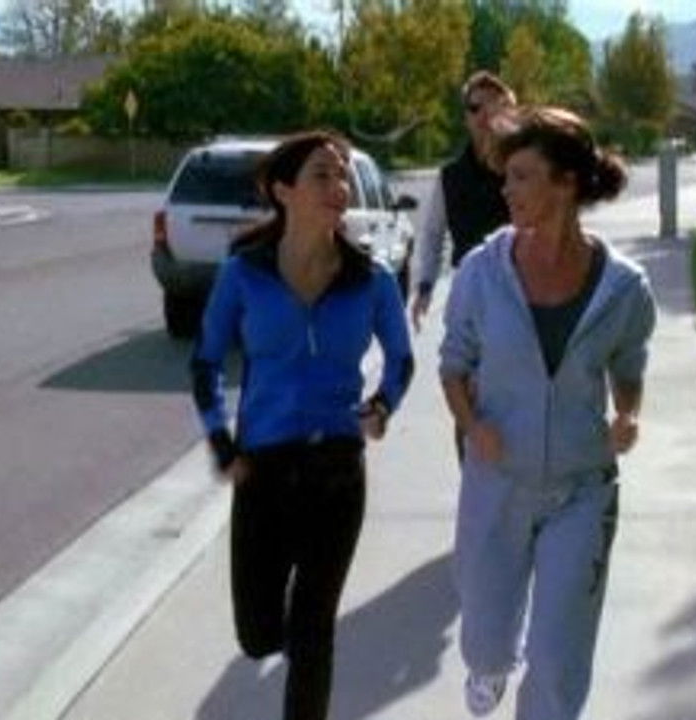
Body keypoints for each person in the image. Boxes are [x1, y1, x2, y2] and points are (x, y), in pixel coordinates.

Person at [438, 106, 656, 720]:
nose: (506, 190)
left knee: (559, 658)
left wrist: (628, 414)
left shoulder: (624, 288)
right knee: (485, 637)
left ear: (565, 182)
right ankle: (488, 667)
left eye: (521, 177)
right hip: (497, 481)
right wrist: (472, 426)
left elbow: (629, 366)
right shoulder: (482, 273)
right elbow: (453, 366)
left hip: (582, 489)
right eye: (506, 177)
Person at [190, 131, 414, 720]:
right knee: (259, 635)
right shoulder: (244, 274)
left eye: (343, 175)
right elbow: (205, 362)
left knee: (314, 632)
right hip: (263, 470)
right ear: (282, 190)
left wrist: (382, 406)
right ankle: (285, 628)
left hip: (336, 471)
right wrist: (221, 441)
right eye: (322, 174)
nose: (339, 186)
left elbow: (401, 358)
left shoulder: (371, 278)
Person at [410, 70, 517, 331]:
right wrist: (425, 287)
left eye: (492, 106)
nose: (483, 115)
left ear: (509, 112)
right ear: (466, 118)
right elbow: (433, 234)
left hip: (520, 290)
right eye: (474, 108)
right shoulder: (450, 176)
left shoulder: (522, 169)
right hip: (468, 292)